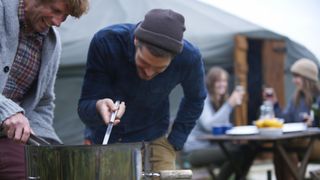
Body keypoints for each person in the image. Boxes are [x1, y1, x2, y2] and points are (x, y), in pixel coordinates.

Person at [78, 9, 206, 172]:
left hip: (154, 137)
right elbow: (84, 106)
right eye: (143, 63)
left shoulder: (189, 58)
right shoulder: (106, 42)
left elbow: (196, 98)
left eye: (159, 69)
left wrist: (175, 141)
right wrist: (98, 106)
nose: (149, 73)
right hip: (105, 139)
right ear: (136, 40)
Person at [0, 0, 88, 179]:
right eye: (55, 11)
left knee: (47, 172)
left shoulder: (51, 44)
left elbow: (42, 104)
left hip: (8, 141)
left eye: (64, 17)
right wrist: (7, 111)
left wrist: (51, 149)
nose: (57, 22)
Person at [183, 67, 255, 179]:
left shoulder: (220, 101)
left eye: (225, 81)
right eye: (219, 81)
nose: (223, 84)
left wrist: (234, 135)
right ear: (211, 83)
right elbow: (209, 126)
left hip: (211, 146)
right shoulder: (203, 99)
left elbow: (222, 128)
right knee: (236, 153)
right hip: (195, 151)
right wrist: (229, 104)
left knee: (248, 150)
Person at [264, 58, 320, 180]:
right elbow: (286, 120)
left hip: (316, 142)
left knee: (287, 147)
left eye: (297, 77)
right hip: (301, 141)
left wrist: (315, 122)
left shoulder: (318, 97)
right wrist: (275, 103)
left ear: (307, 78)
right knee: (280, 147)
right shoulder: (297, 98)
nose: (294, 81)